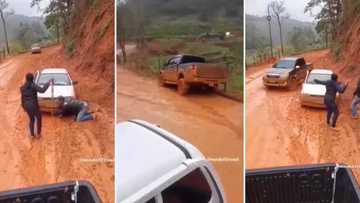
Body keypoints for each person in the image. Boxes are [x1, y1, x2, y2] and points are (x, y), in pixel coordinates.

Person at [20, 73, 51, 137]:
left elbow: (22, 98)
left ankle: (32, 135)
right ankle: (38, 134)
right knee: (39, 118)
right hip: (34, 106)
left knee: (32, 119)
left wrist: (23, 107)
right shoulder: (33, 85)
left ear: (26, 79)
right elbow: (42, 90)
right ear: (33, 79)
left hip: (27, 106)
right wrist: (48, 83)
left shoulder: (22, 87)